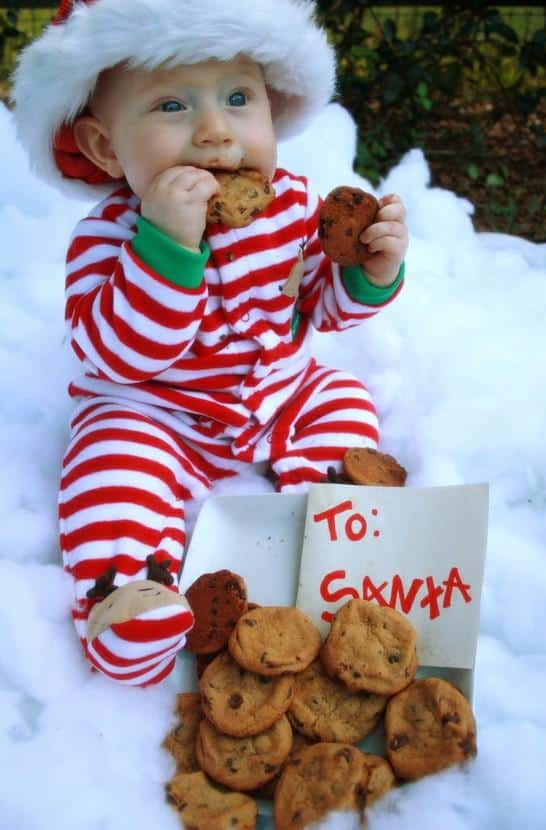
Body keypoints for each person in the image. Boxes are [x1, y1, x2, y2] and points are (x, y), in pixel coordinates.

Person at [12, 0, 409, 687]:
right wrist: (167, 246)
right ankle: (129, 598)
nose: (215, 131)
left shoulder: (292, 207)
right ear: (105, 147)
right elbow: (121, 354)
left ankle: (333, 525)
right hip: (156, 412)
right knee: (108, 457)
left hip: (276, 396)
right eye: (171, 106)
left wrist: (368, 274)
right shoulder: (107, 238)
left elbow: (318, 306)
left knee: (340, 394)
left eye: (238, 98)